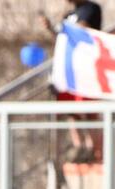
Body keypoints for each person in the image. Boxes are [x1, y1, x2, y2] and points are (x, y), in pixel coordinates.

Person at [40, 0, 103, 163]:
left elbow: (83, 31)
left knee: (89, 112)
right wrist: (51, 28)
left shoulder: (91, 9)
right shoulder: (68, 14)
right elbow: (62, 40)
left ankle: (95, 149)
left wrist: (66, 28)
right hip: (69, 72)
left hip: (85, 69)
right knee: (72, 112)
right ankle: (79, 146)